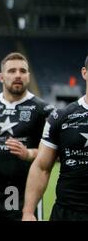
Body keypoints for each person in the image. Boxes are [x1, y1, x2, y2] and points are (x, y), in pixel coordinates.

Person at [0, 52, 54, 221]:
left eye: (23, 71)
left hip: (27, 194)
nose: (18, 75)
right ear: (1, 76)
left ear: (29, 76)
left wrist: (28, 154)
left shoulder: (44, 110)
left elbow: (53, 155)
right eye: (12, 71)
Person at [22, 55, 88, 221]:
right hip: (68, 212)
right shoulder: (61, 116)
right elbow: (42, 167)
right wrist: (28, 212)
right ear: (84, 73)